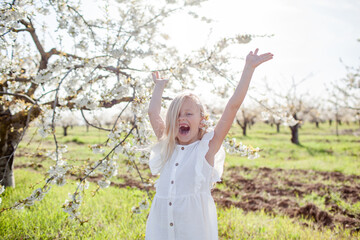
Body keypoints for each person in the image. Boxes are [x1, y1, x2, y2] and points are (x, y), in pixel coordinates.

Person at [146, 49, 273, 240]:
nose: (182, 118)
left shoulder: (206, 149)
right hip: (162, 229)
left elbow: (232, 106)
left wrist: (248, 68)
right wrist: (159, 87)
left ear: (202, 120)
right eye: (177, 115)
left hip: (193, 231)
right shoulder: (167, 146)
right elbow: (153, 114)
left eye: (188, 114)